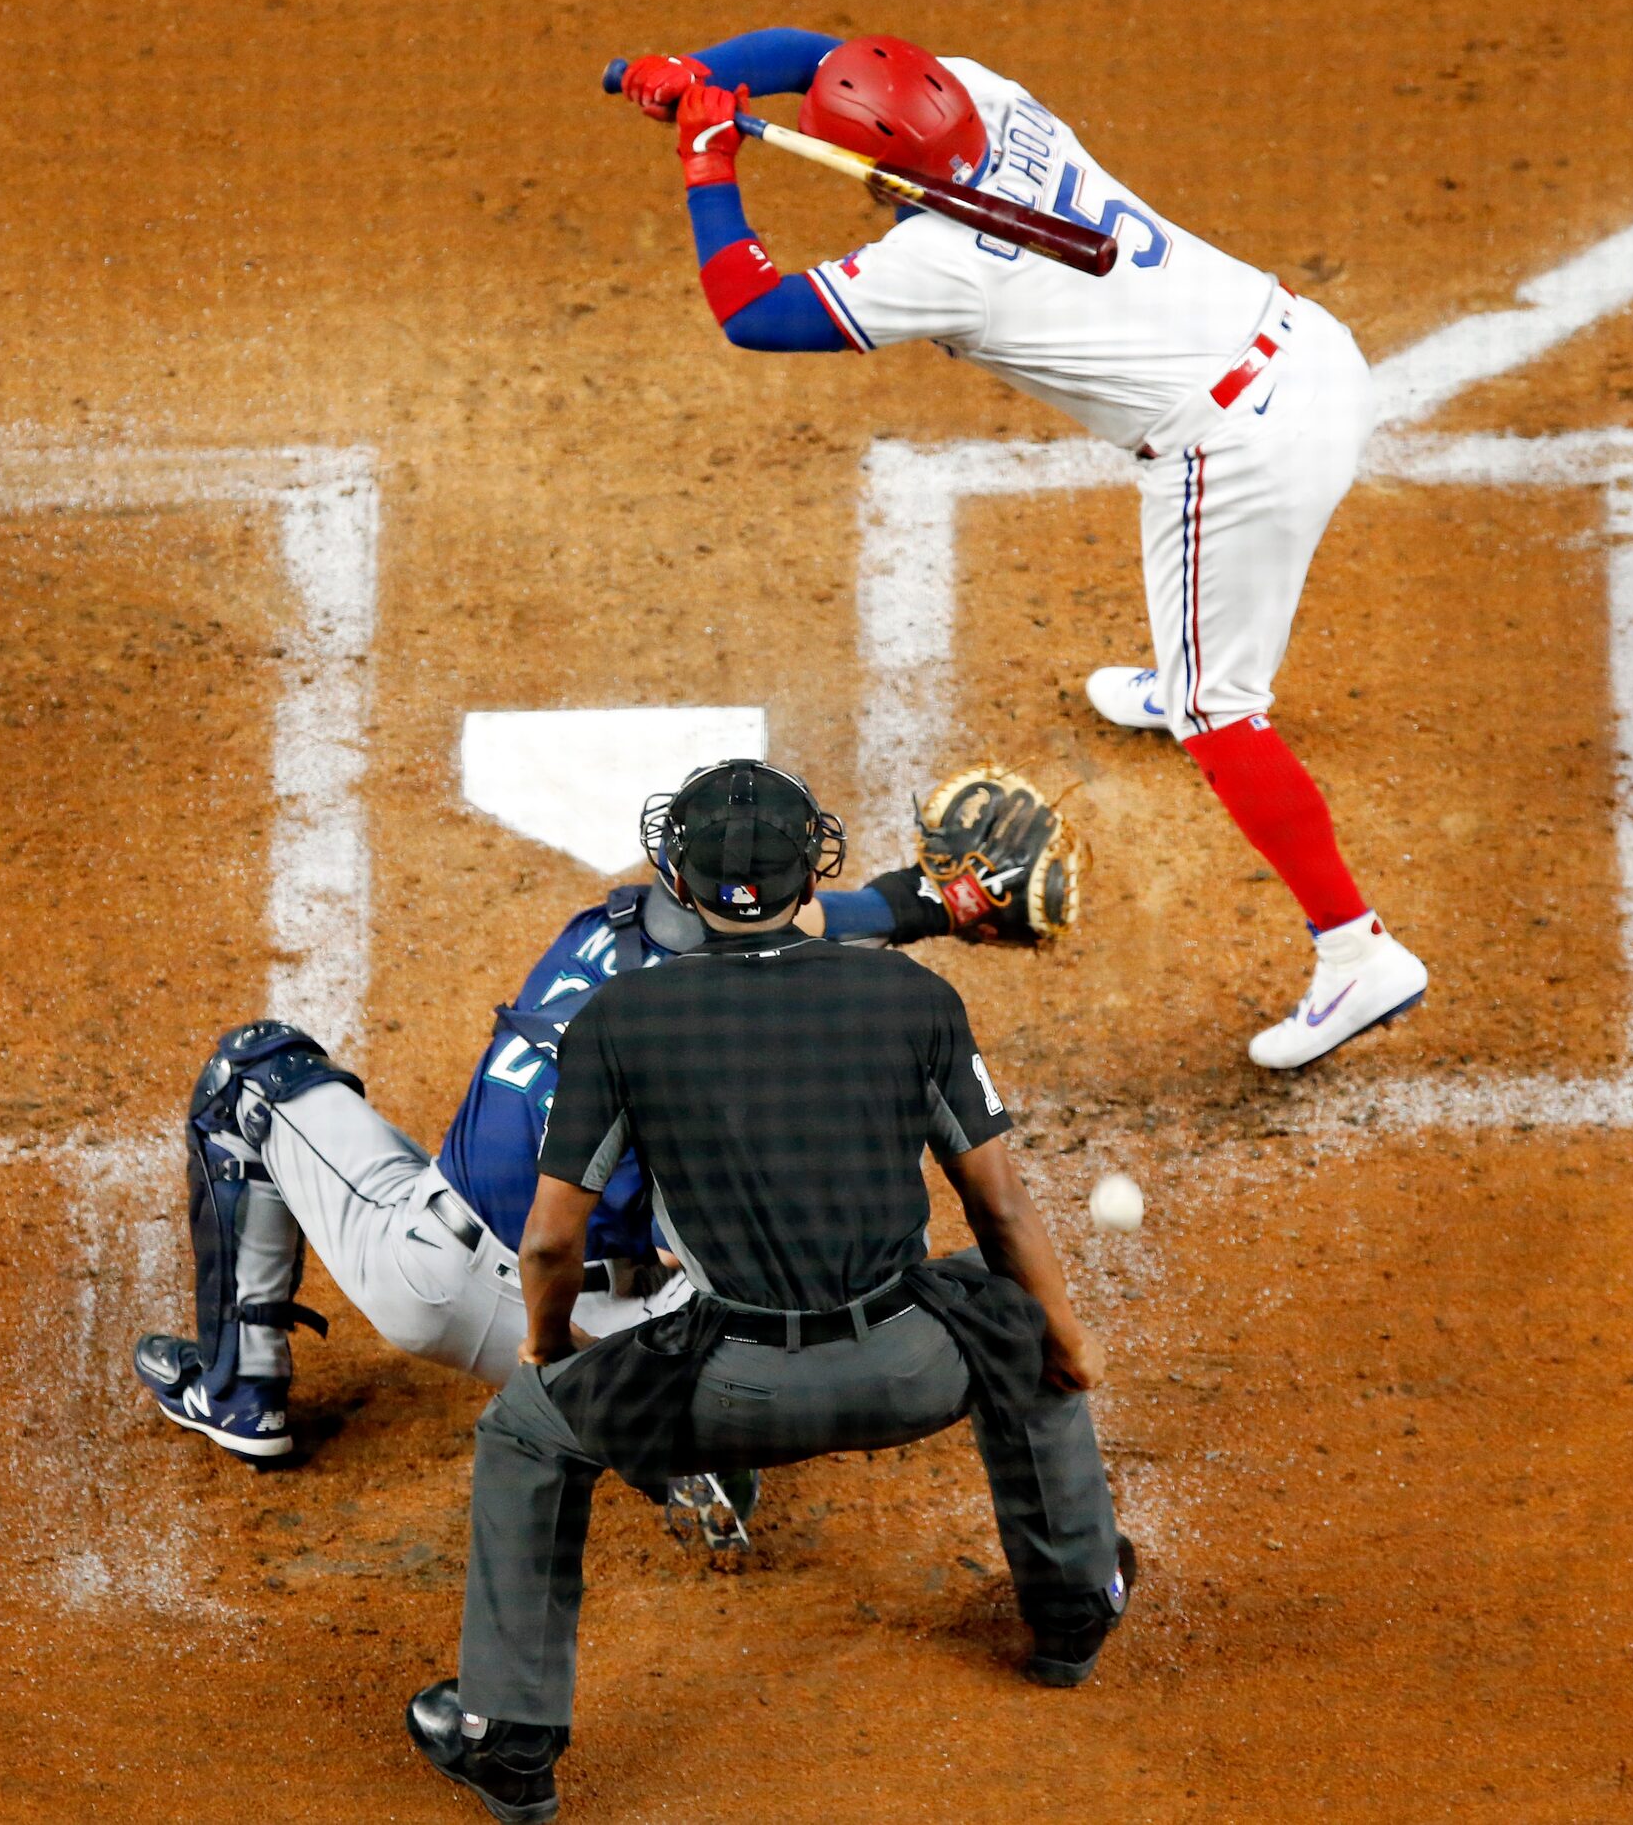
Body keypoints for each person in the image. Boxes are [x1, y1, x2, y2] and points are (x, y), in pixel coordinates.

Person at [616, 32, 1429, 1069]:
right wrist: (700, 71)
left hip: (1238, 448)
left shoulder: (941, 266)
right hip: (1310, 351)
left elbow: (757, 312)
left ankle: (1356, 953)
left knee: (1217, 714)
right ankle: (1192, 670)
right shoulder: (991, 100)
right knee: (1205, 656)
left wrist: (708, 161)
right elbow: (824, 51)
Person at [405, 759, 1132, 1822]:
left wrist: (547, 1351)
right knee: (1002, 1297)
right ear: (813, 878)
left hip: (721, 1395)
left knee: (525, 1433)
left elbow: (552, 1243)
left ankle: (511, 1742)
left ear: (679, 884)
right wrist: (1062, 1342)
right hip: (913, 1368)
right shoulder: (913, 995)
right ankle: (1072, 1611)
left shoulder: (623, 1017)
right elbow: (1004, 1212)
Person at [126, 768, 1068, 1492]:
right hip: (644, 1329)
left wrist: (545, 1358)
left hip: (447, 1269)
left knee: (249, 1072)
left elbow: (767, 923)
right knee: (726, 1204)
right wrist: (948, 902)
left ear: (672, 871)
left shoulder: (611, 927)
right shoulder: (748, 1022)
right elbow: (797, 930)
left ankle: (239, 1390)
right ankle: (681, 1441)